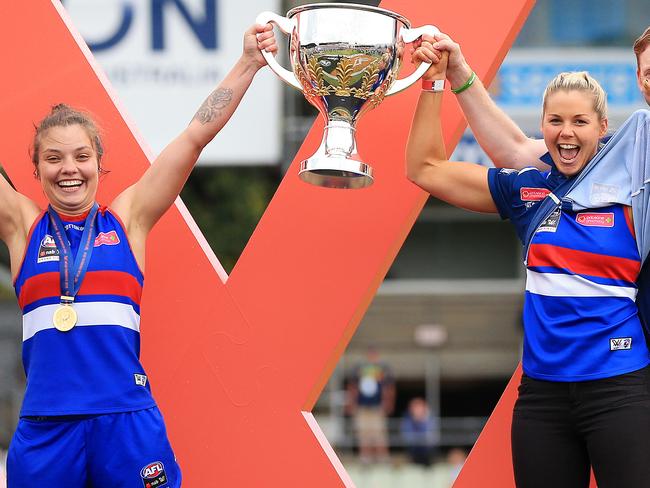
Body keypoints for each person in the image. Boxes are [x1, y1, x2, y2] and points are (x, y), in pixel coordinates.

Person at [1, 24, 277, 487]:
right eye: (53, 158)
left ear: (98, 162)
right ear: (36, 169)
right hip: (48, 425)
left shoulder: (129, 220)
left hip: (126, 422)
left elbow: (194, 137)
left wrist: (248, 63)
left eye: (81, 156)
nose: (69, 169)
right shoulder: (22, 228)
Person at [406, 45, 650, 487]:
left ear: (604, 130)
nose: (567, 132)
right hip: (542, 399)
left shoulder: (635, 185)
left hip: (622, 389)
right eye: (556, 121)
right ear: (542, 128)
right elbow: (425, 169)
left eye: (580, 122)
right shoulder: (527, 191)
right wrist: (434, 80)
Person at [412, 26, 650, 170]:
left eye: (579, 121)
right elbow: (514, 152)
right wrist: (457, 71)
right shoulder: (625, 149)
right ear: (639, 79)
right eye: (649, 74)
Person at [346, 347, 395, 464]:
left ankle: (382, 457)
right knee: (363, 433)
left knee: (379, 433)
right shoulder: (358, 368)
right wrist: (351, 403)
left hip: (377, 407)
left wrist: (389, 402)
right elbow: (352, 387)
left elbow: (389, 387)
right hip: (362, 407)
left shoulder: (383, 368)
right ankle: (365, 457)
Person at [399, 397, 439, 467]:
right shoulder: (407, 419)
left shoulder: (430, 418)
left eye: (419, 407)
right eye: (415, 407)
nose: (417, 410)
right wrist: (416, 423)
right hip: (413, 452)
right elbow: (407, 438)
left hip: (428, 453)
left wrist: (423, 421)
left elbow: (432, 438)